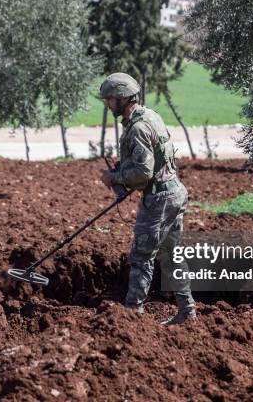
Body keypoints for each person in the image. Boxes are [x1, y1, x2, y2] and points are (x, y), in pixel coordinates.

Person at [98, 72, 196, 325]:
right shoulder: (149, 115)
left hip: (159, 199)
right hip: (174, 192)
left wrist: (114, 178)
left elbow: (143, 173)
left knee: (141, 257)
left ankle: (133, 318)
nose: (108, 104)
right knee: (171, 254)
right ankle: (187, 312)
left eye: (110, 99)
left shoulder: (138, 127)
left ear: (122, 99)